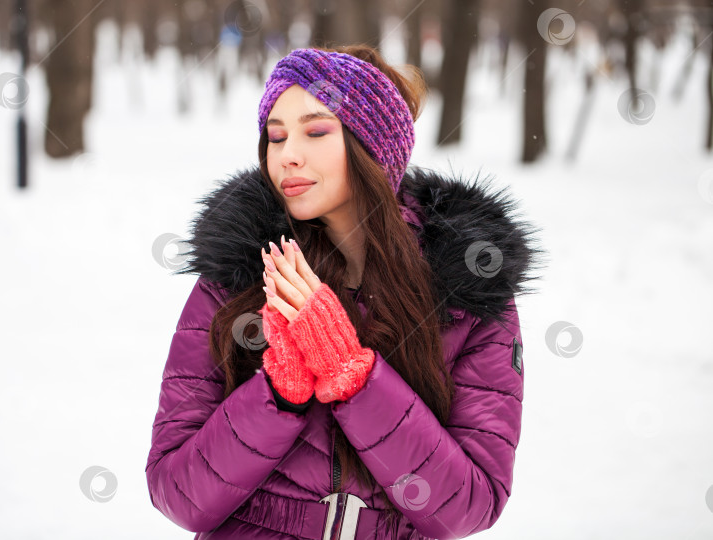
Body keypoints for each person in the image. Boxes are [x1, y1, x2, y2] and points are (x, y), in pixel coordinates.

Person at [145, 44, 544, 539]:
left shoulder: (467, 295)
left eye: (315, 131)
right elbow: (177, 494)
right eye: (275, 137)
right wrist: (277, 395)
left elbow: (470, 506)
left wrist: (352, 377)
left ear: (374, 148)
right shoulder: (239, 277)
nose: (288, 155)